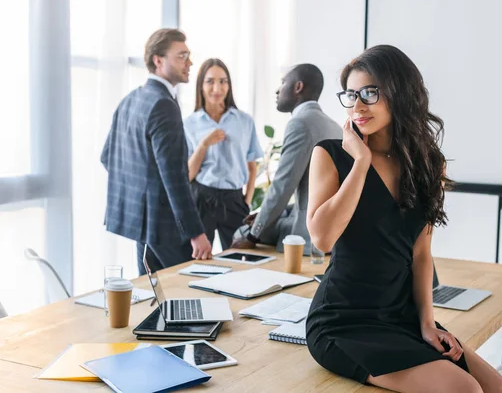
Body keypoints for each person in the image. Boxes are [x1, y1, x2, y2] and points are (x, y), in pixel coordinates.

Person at [305, 45, 502, 393]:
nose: (358, 105)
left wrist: (427, 324)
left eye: (370, 93)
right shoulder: (331, 154)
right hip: (344, 321)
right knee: (466, 390)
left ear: (400, 93)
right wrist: (361, 162)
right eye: (352, 95)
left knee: (497, 387)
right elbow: (321, 239)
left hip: (401, 315)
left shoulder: (429, 163)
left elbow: (421, 253)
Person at [101, 29, 212, 275]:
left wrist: (142, 199)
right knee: (190, 295)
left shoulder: (131, 99)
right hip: (165, 226)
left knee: (154, 298)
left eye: (189, 55)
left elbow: (108, 156)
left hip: (142, 226)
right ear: (158, 61)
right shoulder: (164, 105)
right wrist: (196, 233)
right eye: (182, 56)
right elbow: (175, 178)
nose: (190, 62)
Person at [231, 64, 341, 255]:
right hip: (333, 230)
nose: (277, 90)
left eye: (283, 83)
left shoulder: (300, 123)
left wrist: (252, 236)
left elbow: (283, 186)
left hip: (308, 233)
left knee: (241, 232)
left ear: (298, 87)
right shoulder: (334, 126)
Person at [184, 58, 264, 249]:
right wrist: (204, 144)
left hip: (234, 200)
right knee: (199, 259)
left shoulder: (244, 121)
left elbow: (252, 167)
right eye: (210, 81)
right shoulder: (189, 124)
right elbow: (187, 174)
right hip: (202, 198)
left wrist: (246, 201)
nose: (217, 88)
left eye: (223, 81)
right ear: (201, 86)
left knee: (241, 257)